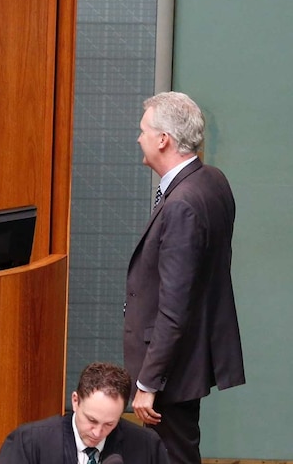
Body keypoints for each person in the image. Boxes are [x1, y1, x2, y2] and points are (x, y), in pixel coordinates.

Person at [125, 91, 245, 463]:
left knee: (173, 457)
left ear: (164, 139)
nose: (138, 137)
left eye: (144, 130)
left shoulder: (182, 205)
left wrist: (148, 382)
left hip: (171, 365)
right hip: (190, 352)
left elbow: (174, 305)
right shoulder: (212, 181)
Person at [0, 362, 169, 464]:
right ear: (75, 401)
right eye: (91, 420)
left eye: (109, 424)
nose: (97, 432)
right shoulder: (29, 443)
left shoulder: (147, 447)